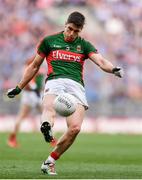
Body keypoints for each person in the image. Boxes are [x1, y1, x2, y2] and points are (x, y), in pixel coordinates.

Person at [7, 11, 123, 175]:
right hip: (55, 80)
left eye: (76, 31)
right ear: (65, 25)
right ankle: (46, 126)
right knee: (48, 109)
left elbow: (101, 61)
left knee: (75, 128)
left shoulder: (84, 45)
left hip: (76, 86)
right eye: (69, 29)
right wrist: (19, 87)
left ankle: (50, 161)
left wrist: (113, 69)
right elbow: (34, 66)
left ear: (80, 30)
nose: (71, 33)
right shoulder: (49, 41)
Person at [7, 57, 44, 148]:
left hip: (35, 94)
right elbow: (30, 82)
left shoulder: (35, 67)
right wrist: (35, 88)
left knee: (45, 114)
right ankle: (12, 137)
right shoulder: (30, 67)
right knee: (23, 115)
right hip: (30, 95)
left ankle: (12, 137)